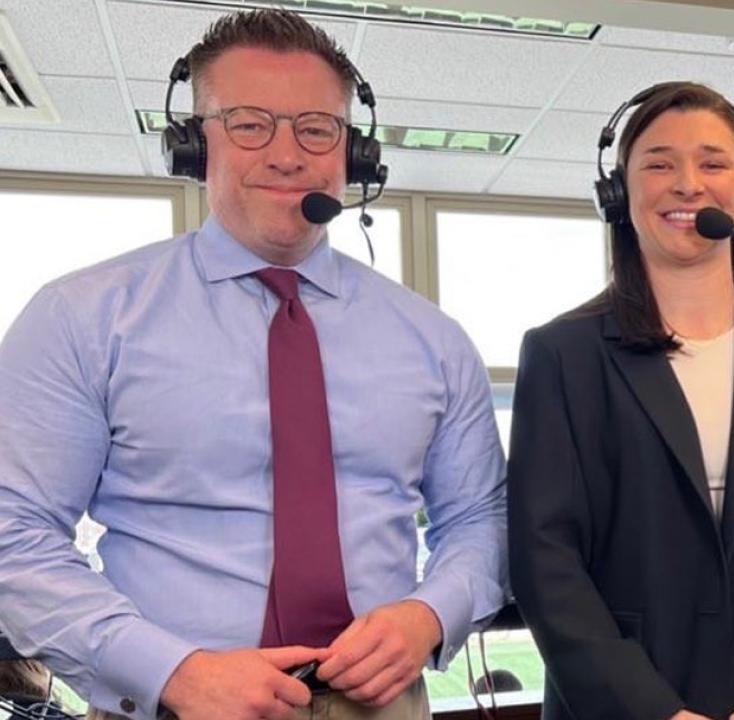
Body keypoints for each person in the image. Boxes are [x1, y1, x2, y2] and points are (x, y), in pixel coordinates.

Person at [0, 9, 506, 720]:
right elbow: (13, 534)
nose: (287, 153)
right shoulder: (82, 317)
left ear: (350, 153)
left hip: (384, 703)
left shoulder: (435, 339)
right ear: (192, 144)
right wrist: (170, 670)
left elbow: (481, 516)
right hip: (174, 702)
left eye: (315, 128)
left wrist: (429, 613)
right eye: (249, 124)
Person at [507, 81, 734, 720]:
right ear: (621, 191)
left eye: (713, 163)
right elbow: (547, 563)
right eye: (658, 163)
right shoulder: (562, 353)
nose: (687, 184)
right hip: (620, 702)